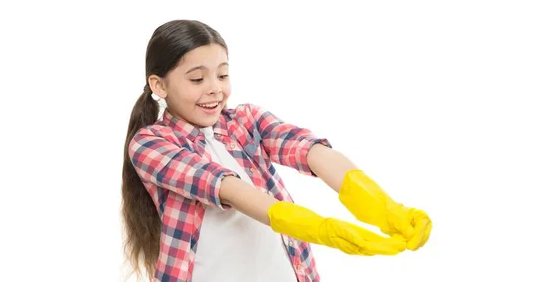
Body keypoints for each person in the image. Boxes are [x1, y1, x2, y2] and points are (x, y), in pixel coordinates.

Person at [121, 19, 432, 282]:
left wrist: (382, 205)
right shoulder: (150, 145)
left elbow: (308, 150)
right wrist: (320, 228)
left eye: (223, 74)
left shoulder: (246, 120)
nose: (215, 87)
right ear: (159, 86)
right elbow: (225, 187)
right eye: (197, 78)